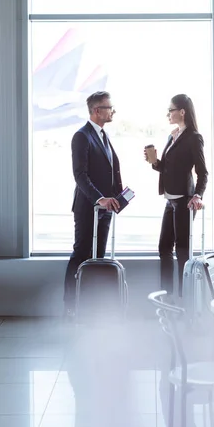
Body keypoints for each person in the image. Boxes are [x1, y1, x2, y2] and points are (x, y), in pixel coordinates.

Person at [64, 91, 122, 317]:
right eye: (109, 107)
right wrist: (99, 198)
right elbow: (80, 175)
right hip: (89, 207)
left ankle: (92, 305)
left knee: (98, 256)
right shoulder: (82, 136)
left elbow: (110, 169)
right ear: (97, 111)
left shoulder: (104, 135)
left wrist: (118, 196)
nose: (112, 111)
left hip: (106, 209)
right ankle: (70, 305)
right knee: (81, 253)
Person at [145, 94, 208, 299]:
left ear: (182, 111)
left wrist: (197, 195)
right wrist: (155, 162)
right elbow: (167, 168)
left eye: (171, 110)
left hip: (184, 200)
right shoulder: (173, 135)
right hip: (170, 200)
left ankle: (183, 297)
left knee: (182, 250)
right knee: (164, 247)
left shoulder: (193, 137)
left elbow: (202, 172)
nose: (168, 114)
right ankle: (167, 294)